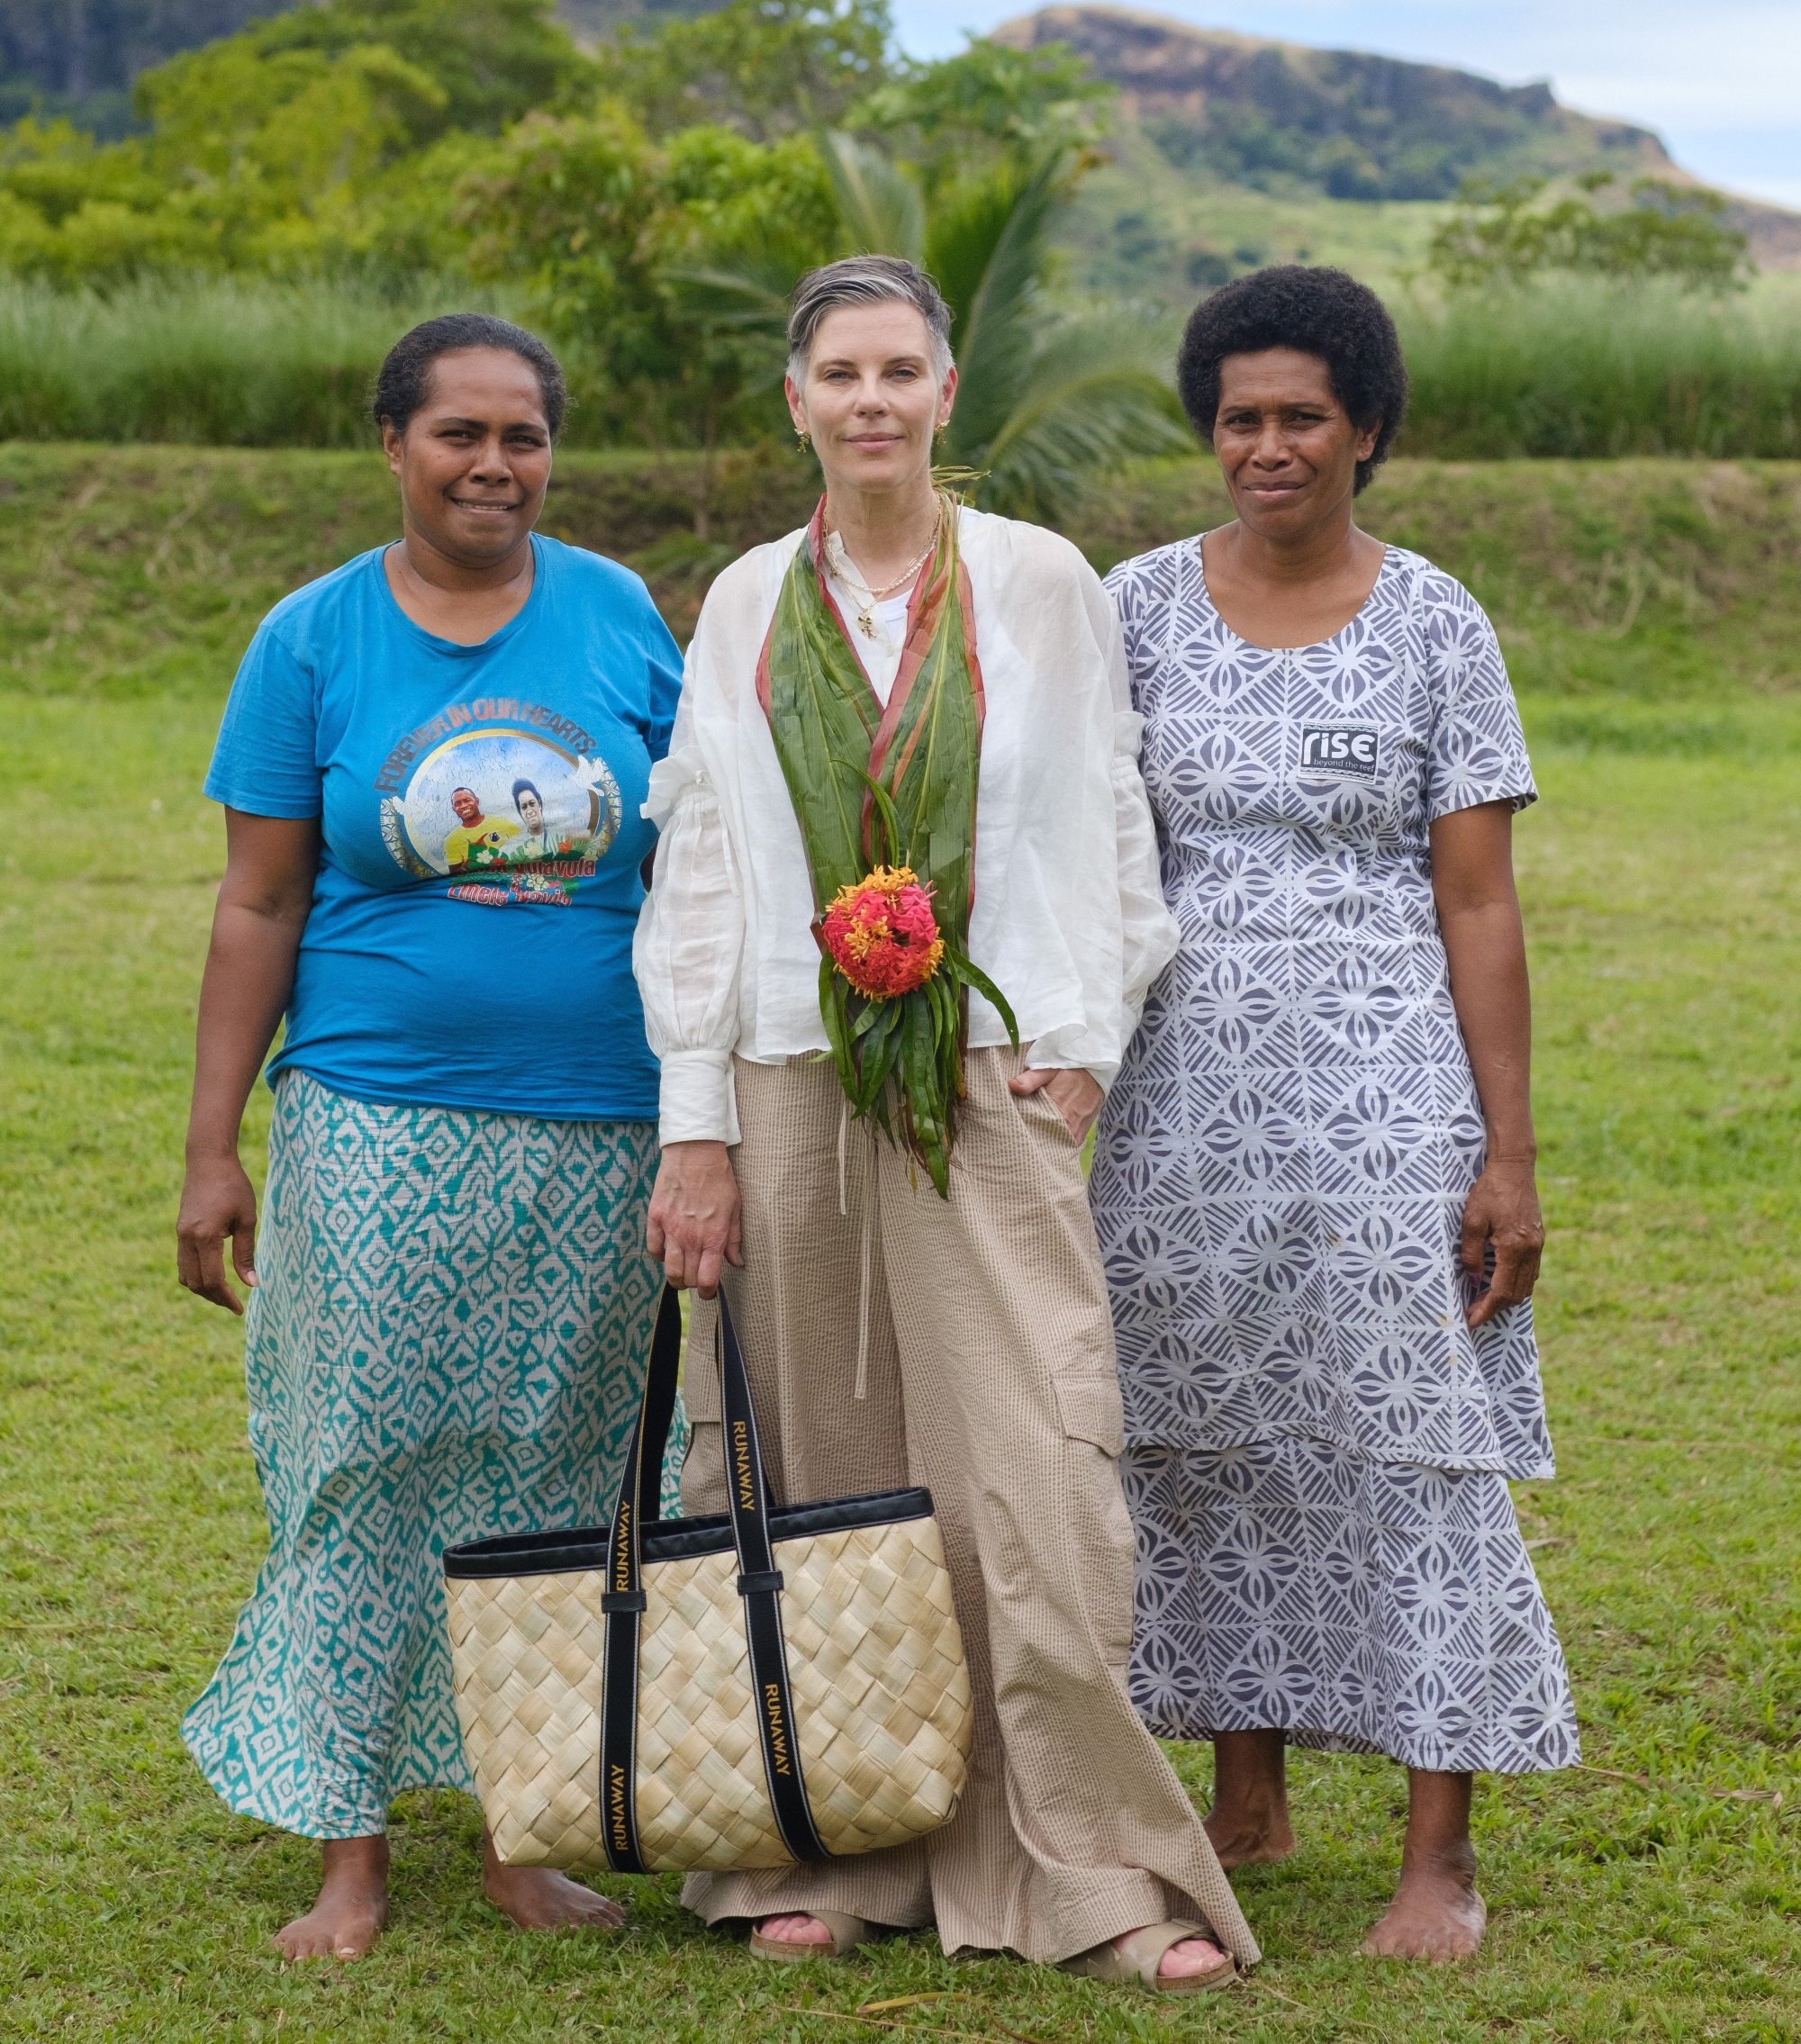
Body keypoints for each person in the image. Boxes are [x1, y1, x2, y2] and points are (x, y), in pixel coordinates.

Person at [634, 256, 1260, 1994]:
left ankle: (1095, 1871)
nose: (871, 402)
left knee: (1034, 1474)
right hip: (784, 1071)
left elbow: (1106, 814)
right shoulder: (749, 599)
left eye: (900, 369)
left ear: (946, 390)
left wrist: (1095, 1033)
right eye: (839, 372)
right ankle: (833, 1844)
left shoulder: (1040, 581)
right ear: (796, 399)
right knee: (820, 1477)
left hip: (988, 1067)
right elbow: (698, 858)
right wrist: (700, 1124)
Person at [176, 313, 685, 1961]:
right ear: (391, 442)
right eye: (458, 433)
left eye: (522, 436)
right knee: (365, 1466)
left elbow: (699, 861)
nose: (493, 465)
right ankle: (351, 1850)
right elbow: (258, 899)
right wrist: (210, 1147)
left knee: (563, 1470)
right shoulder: (312, 638)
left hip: (607, 1120)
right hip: (375, 1116)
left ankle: (523, 1832)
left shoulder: (615, 614)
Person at [1089, 266, 1579, 1962]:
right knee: (1197, 1432)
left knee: (1414, 1441)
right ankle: (1244, 1790)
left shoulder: (1437, 617)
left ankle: (1438, 1852)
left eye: (1304, 415)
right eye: (1240, 417)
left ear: (1368, 428)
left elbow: (1480, 905)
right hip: (1171, 1099)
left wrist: (1507, 1154)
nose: (1269, 445)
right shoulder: (1132, 606)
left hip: (1386, 1100)